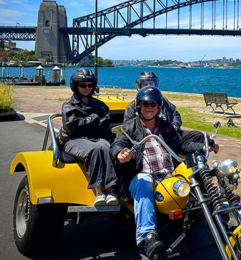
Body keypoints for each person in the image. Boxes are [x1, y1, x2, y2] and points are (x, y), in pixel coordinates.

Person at [110, 86, 219, 260]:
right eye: (145, 103)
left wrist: (203, 147)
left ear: (158, 106)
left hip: (168, 176)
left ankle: (215, 212)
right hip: (142, 177)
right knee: (144, 180)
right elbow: (117, 144)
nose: (149, 107)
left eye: (153, 103)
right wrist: (121, 152)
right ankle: (149, 237)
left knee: (196, 172)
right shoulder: (129, 127)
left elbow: (181, 145)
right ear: (139, 106)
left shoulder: (166, 126)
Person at [58, 68, 118, 206]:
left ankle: (110, 191)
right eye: (83, 85)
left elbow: (104, 125)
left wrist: (84, 123)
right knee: (94, 150)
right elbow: (72, 128)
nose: (87, 88)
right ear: (75, 85)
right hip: (73, 140)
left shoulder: (100, 105)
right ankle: (99, 192)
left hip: (96, 138)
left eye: (90, 85)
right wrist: (93, 118)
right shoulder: (69, 105)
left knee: (107, 148)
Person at [124, 71, 204, 143]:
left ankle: (197, 158)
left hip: (169, 133)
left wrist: (175, 125)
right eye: (145, 84)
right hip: (146, 137)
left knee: (198, 135)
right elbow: (127, 125)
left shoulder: (164, 101)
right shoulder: (133, 105)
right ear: (139, 86)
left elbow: (175, 114)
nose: (149, 87)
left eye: (151, 84)